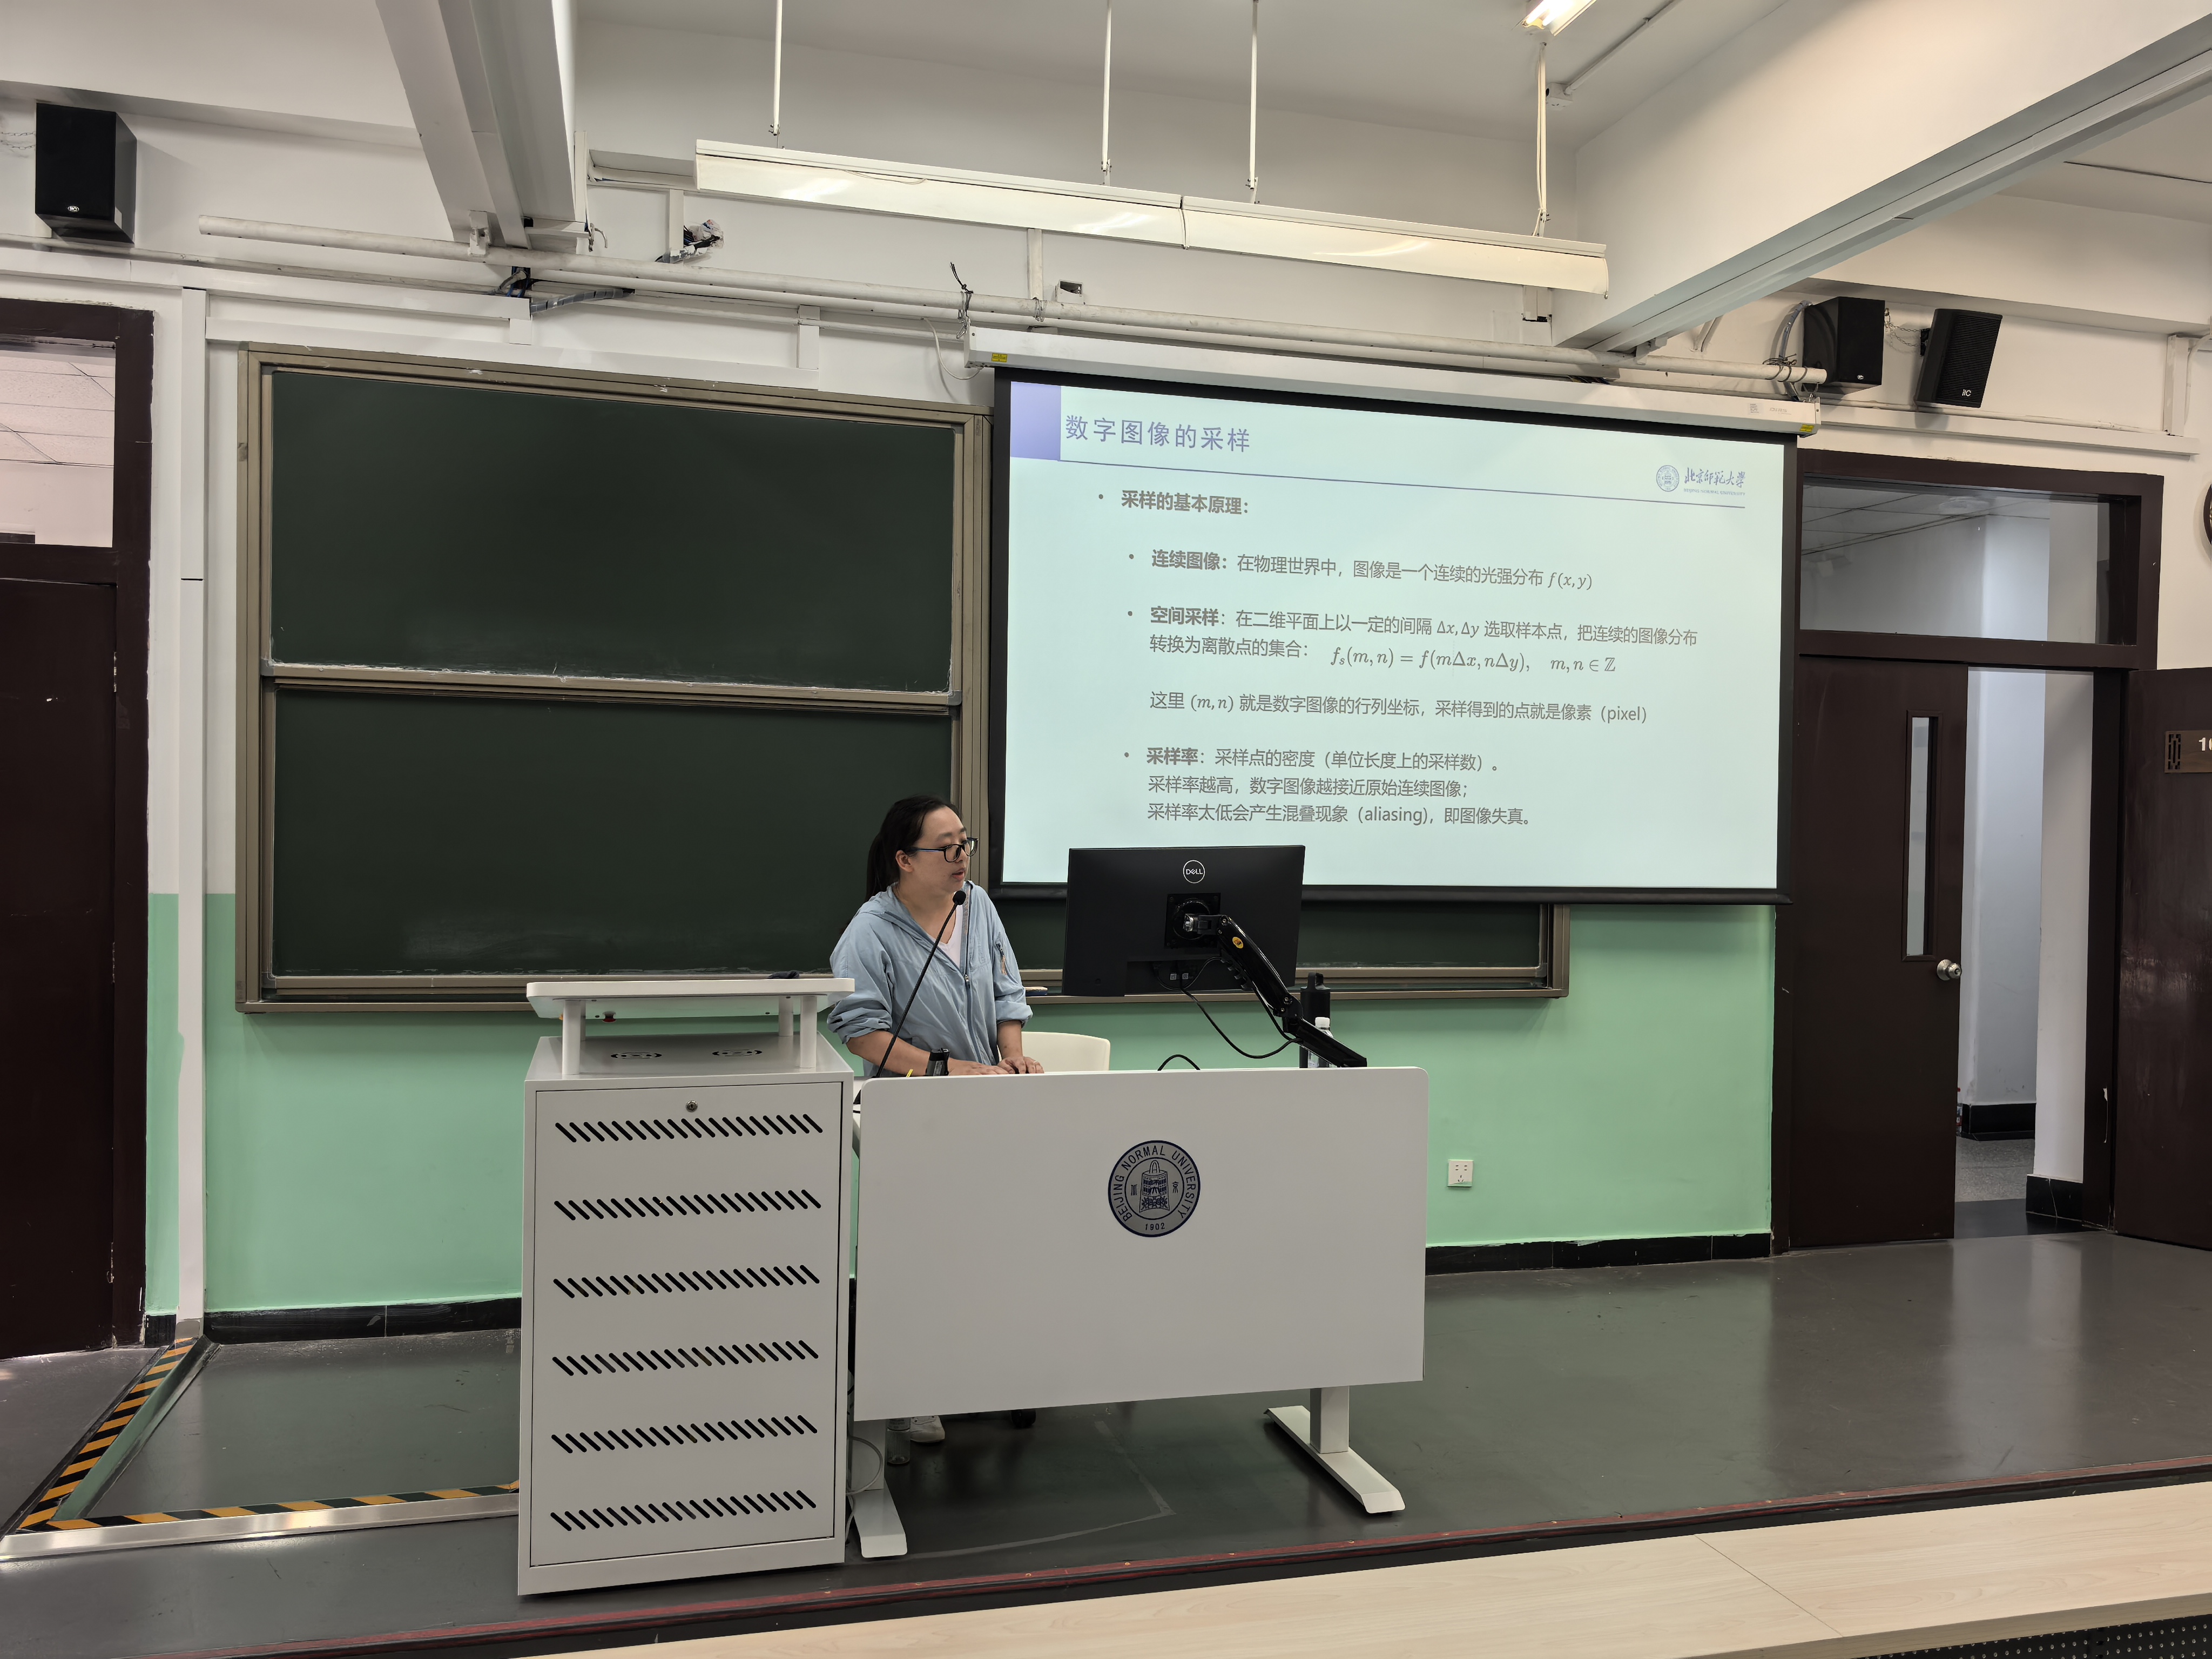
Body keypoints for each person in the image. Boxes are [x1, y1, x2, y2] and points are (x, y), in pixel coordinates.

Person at [830, 795, 1041, 1449]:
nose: (960, 857)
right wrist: (943, 1069)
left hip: (986, 1105)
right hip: (911, 1112)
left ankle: (987, 1367)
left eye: (964, 843)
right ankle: (909, 1390)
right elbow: (861, 1032)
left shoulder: (978, 907)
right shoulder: (870, 932)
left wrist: (1012, 1056)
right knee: (919, 1254)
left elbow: (1008, 994)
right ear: (904, 859)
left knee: (995, 1244)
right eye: (945, 847)